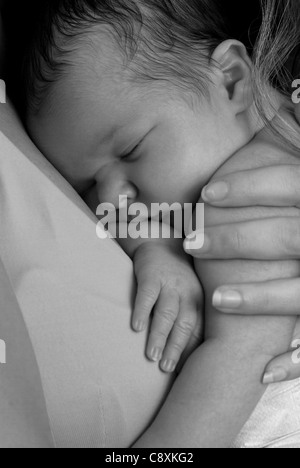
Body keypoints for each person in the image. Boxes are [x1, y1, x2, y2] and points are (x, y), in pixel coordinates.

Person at [1, 0, 300, 449]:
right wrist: (155, 247)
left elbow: (240, 360)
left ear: (233, 80)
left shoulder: (246, 197)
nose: (114, 200)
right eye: (86, 187)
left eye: (132, 150)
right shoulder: (204, 168)